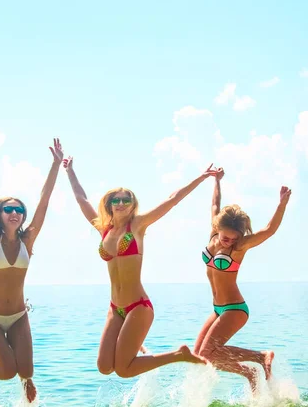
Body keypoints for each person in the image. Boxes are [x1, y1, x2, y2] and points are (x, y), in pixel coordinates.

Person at [63, 156, 214, 378]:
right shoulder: (103, 229)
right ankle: (136, 344)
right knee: (105, 367)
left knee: (124, 370)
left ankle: (179, 354)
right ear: (109, 204)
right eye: (117, 200)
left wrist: (200, 178)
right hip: (116, 308)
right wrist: (69, 171)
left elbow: (172, 199)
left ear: (133, 204)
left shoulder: (138, 225)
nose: (122, 203)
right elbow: (81, 199)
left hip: (138, 306)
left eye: (127, 199)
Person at [0, 131, 62, 402]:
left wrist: (55, 166)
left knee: (26, 371)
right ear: (0, 215)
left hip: (19, 315)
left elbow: (44, 202)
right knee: (6, 372)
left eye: (19, 210)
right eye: (8, 209)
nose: (14, 213)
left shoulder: (27, 241)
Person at [194, 168, 291, 390]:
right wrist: (216, 181)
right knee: (200, 357)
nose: (228, 241)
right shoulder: (213, 234)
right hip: (218, 309)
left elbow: (269, 231)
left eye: (233, 238)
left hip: (235, 309)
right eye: (225, 236)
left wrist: (281, 204)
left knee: (208, 353)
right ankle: (249, 374)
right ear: (218, 229)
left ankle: (260, 356)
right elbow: (215, 205)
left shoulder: (239, 248)